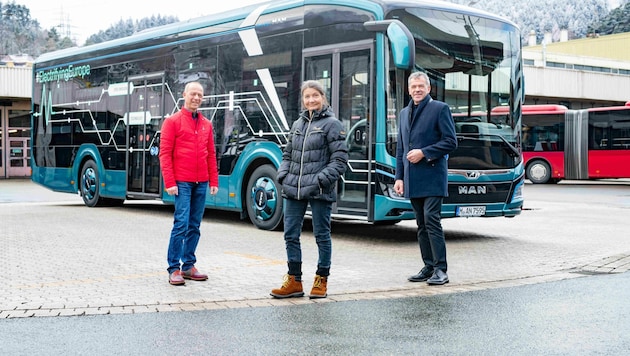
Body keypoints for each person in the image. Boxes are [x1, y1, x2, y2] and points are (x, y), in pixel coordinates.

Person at [270, 80, 348, 299]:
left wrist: (320, 180)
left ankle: (321, 280)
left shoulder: (333, 124)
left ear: (323, 98)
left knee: (322, 235)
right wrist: (283, 176)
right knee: (290, 234)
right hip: (294, 187)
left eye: (315, 95)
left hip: (320, 189)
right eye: (307, 96)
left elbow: (340, 160)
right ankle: (294, 281)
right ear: (303, 100)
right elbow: (287, 154)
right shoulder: (298, 124)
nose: (311, 100)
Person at [394, 71, 457, 286]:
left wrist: (424, 152)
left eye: (421, 86)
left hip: (432, 176)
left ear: (428, 88)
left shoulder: (440, 109)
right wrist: (399, 177)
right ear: (409, 90)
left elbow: (451, 141)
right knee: (420, 224)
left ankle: (441, 269)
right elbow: (401, 148)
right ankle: (429, 266)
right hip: (412, 177)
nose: (417, 90)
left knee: (431, 220)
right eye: (413, 87)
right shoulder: (403, 113)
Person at [159, 81, 219, 286]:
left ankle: (188, 266)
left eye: (200, 95)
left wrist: (213, 180)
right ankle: (173, 268)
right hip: (182, 182)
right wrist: (170, 181)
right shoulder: (172, 122)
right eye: (193, 94)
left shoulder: (206, 124)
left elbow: (211, 154)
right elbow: (165, 154)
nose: (196, 98)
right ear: (184, 94)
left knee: (195, 225)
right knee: (181, 224)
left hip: (201, 181)